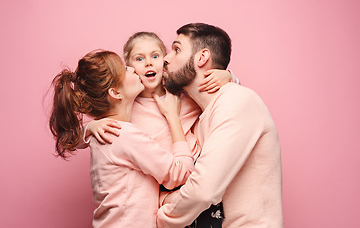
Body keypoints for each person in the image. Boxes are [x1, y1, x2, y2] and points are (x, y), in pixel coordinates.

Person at [85, 32, 239, 227]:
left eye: (155, 56)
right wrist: (90, 126)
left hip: (192, 178)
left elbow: (229, 97)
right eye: (139, 59)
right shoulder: (127, 106)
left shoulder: (183, 97)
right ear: (128, 69)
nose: (149, 63)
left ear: (165, 61)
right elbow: (100, 130)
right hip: (161, 188)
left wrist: (228, 76)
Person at [49, 50, 195, 227]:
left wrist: (89, 127)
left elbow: (70, 138)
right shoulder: (122, 134)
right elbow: (179, 174)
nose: (133, 69)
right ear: (115, 93)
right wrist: (174, 119)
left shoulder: (102, 131)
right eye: (126, 69)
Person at [157, 23, 283, 228]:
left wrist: (160, 209)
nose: (166, 58)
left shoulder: (237, 100)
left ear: (202, 57)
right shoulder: (202, 117)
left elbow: (204, 190)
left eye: (177, 49)